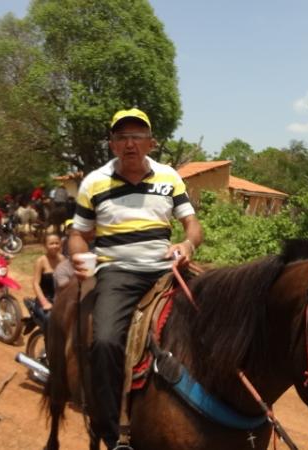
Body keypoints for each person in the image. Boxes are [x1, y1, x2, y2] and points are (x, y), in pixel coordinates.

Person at [69, 108, 203, 448]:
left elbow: (192, 225)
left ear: (151, 142)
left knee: (216, 322)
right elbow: (78, 234)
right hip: (118, 273)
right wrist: (80, 255)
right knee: (105, 341)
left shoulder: (169, 177)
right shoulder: (94, 183)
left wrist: (187, 244)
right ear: (112, 145)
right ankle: (112, 430)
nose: (130, 143)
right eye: (122, 137)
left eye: (137, 136)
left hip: (166, 270)